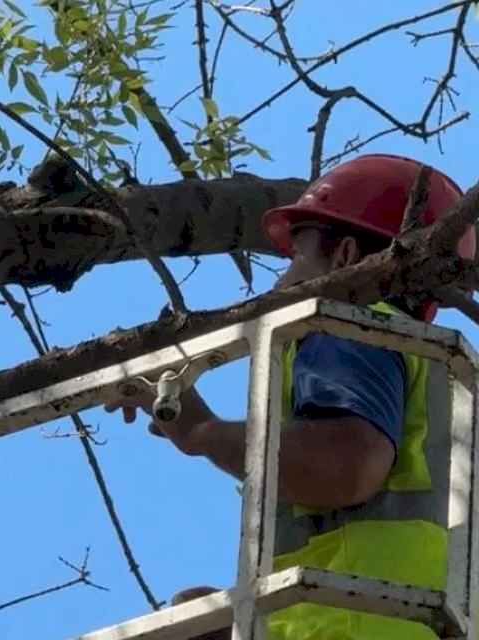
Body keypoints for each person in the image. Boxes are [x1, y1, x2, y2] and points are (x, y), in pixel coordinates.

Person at [106, 154, 476, 640]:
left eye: (297, 258)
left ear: (343, 258)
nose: (279, 284)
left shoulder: (347, 326)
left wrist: (202, 434)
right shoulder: (447, 385)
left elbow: (346, 465)